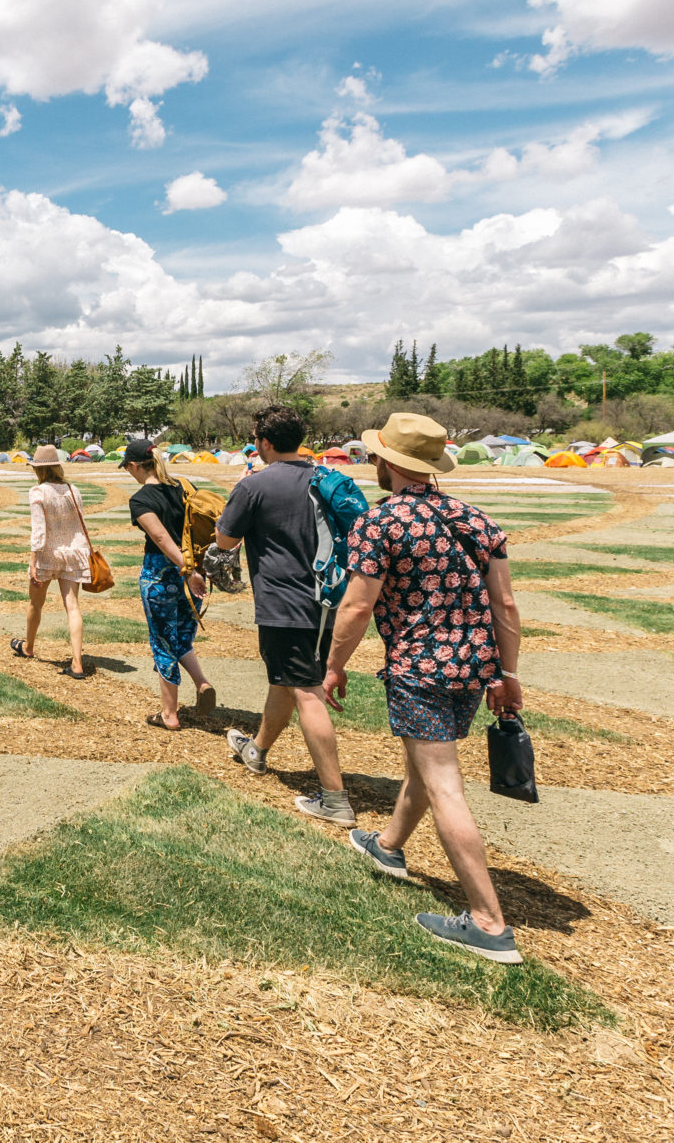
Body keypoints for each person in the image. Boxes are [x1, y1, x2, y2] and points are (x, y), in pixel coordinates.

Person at [330, 413, 524, 964]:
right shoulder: (475, 520)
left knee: (443, 783)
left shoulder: (380, 523)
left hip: (420, 668)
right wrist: (507, 675)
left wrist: (334, 665)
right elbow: (504, 605)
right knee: (426, 760)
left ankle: (488, 922)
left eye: (375, 457)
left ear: (389, 463)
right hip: (474, 667)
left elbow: (358, 605)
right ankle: (389, 846)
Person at [213, 404, 353, 827]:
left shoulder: (254, 485)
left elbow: (225, 538)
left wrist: (240, 492)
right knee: (286, 679)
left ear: (264, 442)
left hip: (284, 603)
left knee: (307, 691)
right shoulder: (323, 479)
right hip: (326, 599)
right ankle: (257, 750)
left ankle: (335, 798)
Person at [118, 439, 217, 729]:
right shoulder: (183, 487)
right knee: (182, 637)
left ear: (135, 465)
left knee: (163, 641)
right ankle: (201, 683)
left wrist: (185, 570)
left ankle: (169, 715)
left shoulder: (141, 499)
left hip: (162, 576)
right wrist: (193, 570)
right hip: (194, 574)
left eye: (128, 468)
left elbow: (161, 539)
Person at [15, 445, 90, 679]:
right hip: (73, 552)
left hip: (48, 554)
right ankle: (77, 663)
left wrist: (33, 560)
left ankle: (28, 646)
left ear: (38, 469)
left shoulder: (38, 492)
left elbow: (39, 530)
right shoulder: (72, 489)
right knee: (73, 607)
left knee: (35, 604)